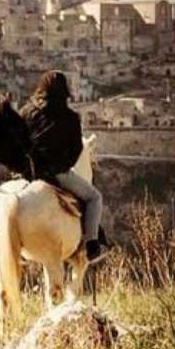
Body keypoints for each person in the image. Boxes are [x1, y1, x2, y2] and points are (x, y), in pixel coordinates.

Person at [21, 71, 106, 263]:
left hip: (27, 173)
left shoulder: (26, 112)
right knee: (94, 198)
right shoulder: (70, 118)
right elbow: (76, 150)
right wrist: (61, 168)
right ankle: (92, 244)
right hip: (57, 173)